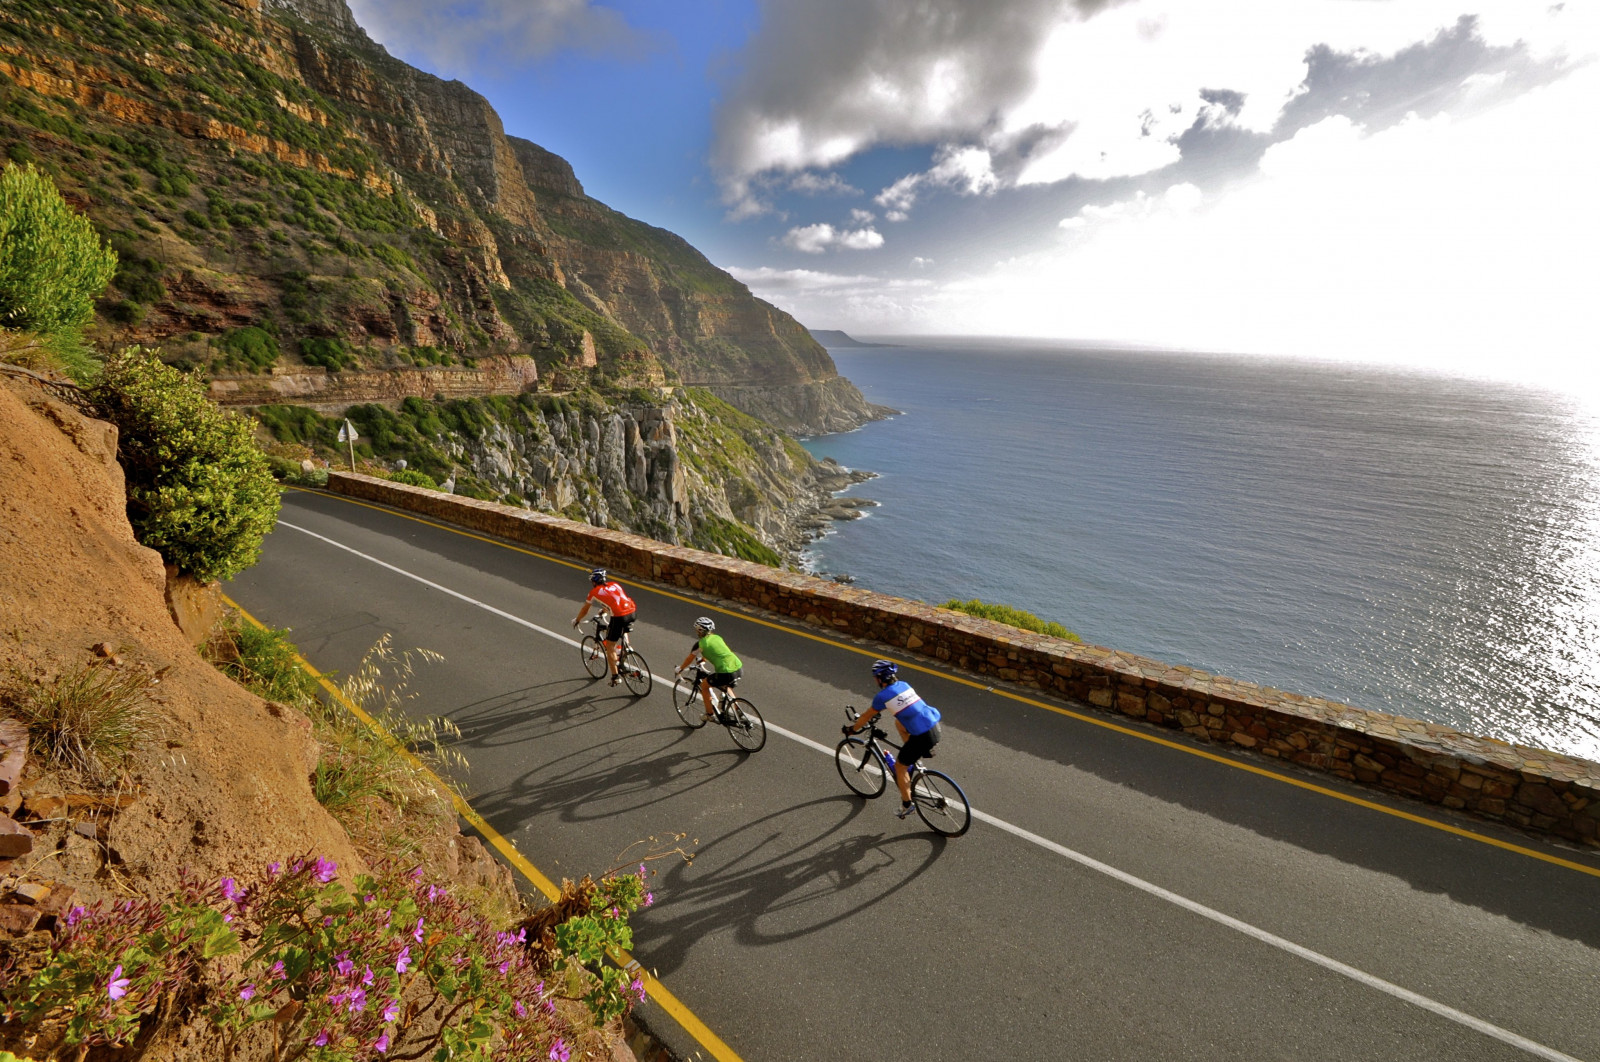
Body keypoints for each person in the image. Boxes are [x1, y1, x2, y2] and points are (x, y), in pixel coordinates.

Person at [843, 659, 943, 819]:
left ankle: (907, 805)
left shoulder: (882, 696)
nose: (874, 680)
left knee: (900, 767)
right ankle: (914, 757)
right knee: (899, 723)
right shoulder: (904, 685)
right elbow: (908, 710)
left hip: (922, 736)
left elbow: (866, 717)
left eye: (875, 677)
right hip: (934, 727)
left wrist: (852, 730)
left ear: (881, 678)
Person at [571, 568, 637, 686]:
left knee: (610, 646)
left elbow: (585, 609)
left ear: (594, 581)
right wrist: (604, 610)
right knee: (620, 628)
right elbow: (615, 599)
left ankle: (615, 677)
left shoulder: (594, 592)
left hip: (619, 617)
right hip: (632, 612)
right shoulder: (615, 584)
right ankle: (627, 648)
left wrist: (577, 620)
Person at [675, 617, 742, 722]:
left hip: (725, 671)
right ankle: (737, 708)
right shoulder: (717, 637)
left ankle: (709, 714)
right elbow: (714, 651)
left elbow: (689, 659)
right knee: (726, 686)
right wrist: (702, 659)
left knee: (704, 686)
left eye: (697, 629)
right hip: (738, 667)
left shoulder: (700, 644)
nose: (696, 631)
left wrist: (680, 669)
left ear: (700, 630)